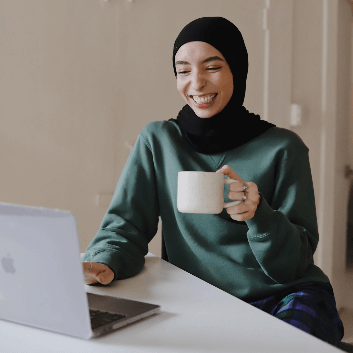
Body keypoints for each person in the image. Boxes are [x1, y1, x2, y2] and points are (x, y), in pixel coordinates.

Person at [82, 17, 344, 346]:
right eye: (184, 70)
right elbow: (124, 228)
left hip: (283, 295)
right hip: (198, 300)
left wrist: (257, 213)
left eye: (212, 67)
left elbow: (294, 265)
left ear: (237, 69)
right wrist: (102, 262)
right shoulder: (158, 140)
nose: (197, 83)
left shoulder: (283, 148)